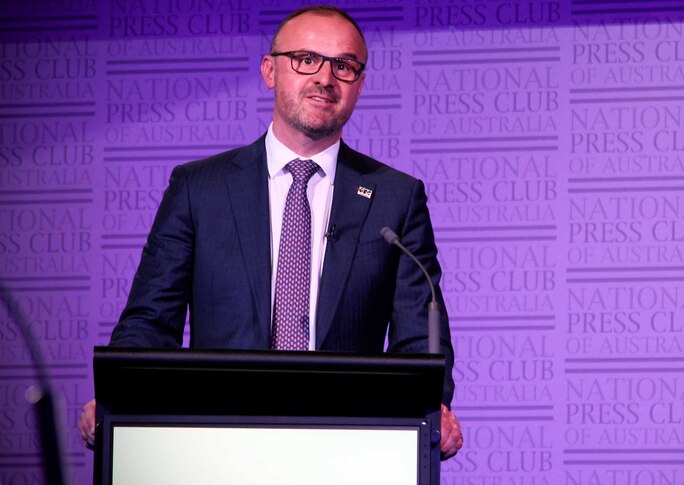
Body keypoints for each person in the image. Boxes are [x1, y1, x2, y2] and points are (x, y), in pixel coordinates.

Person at [78, 5, 462, 459]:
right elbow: (150, 319)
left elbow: (419, 336)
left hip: (348, 444)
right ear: (269, 71)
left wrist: (429, 407)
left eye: (344, 66)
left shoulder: (396, 197)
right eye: (306, 59)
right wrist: (121, 395)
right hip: (216, 441)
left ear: (359, 84)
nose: (325, 77)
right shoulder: (199, 188)